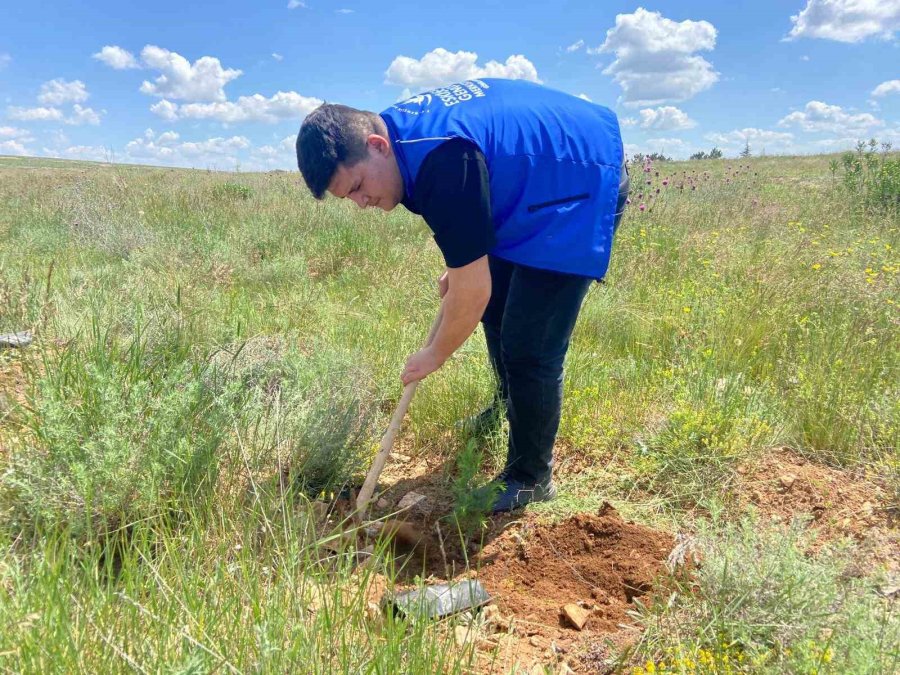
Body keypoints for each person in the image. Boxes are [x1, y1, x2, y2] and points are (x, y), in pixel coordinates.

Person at [296, 78, 629, 512]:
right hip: (529, 183)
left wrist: (433, 353)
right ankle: (509, 407)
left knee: (530, 345)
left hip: (577, 179)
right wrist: (461, 266)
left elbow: (472, 292)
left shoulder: (440, 159)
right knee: (495, 310)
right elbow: (471, 234)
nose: (361, 203)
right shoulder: (405, 145)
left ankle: (531, 478)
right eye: (349, 198)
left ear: (376, 145)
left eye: (357, 187)